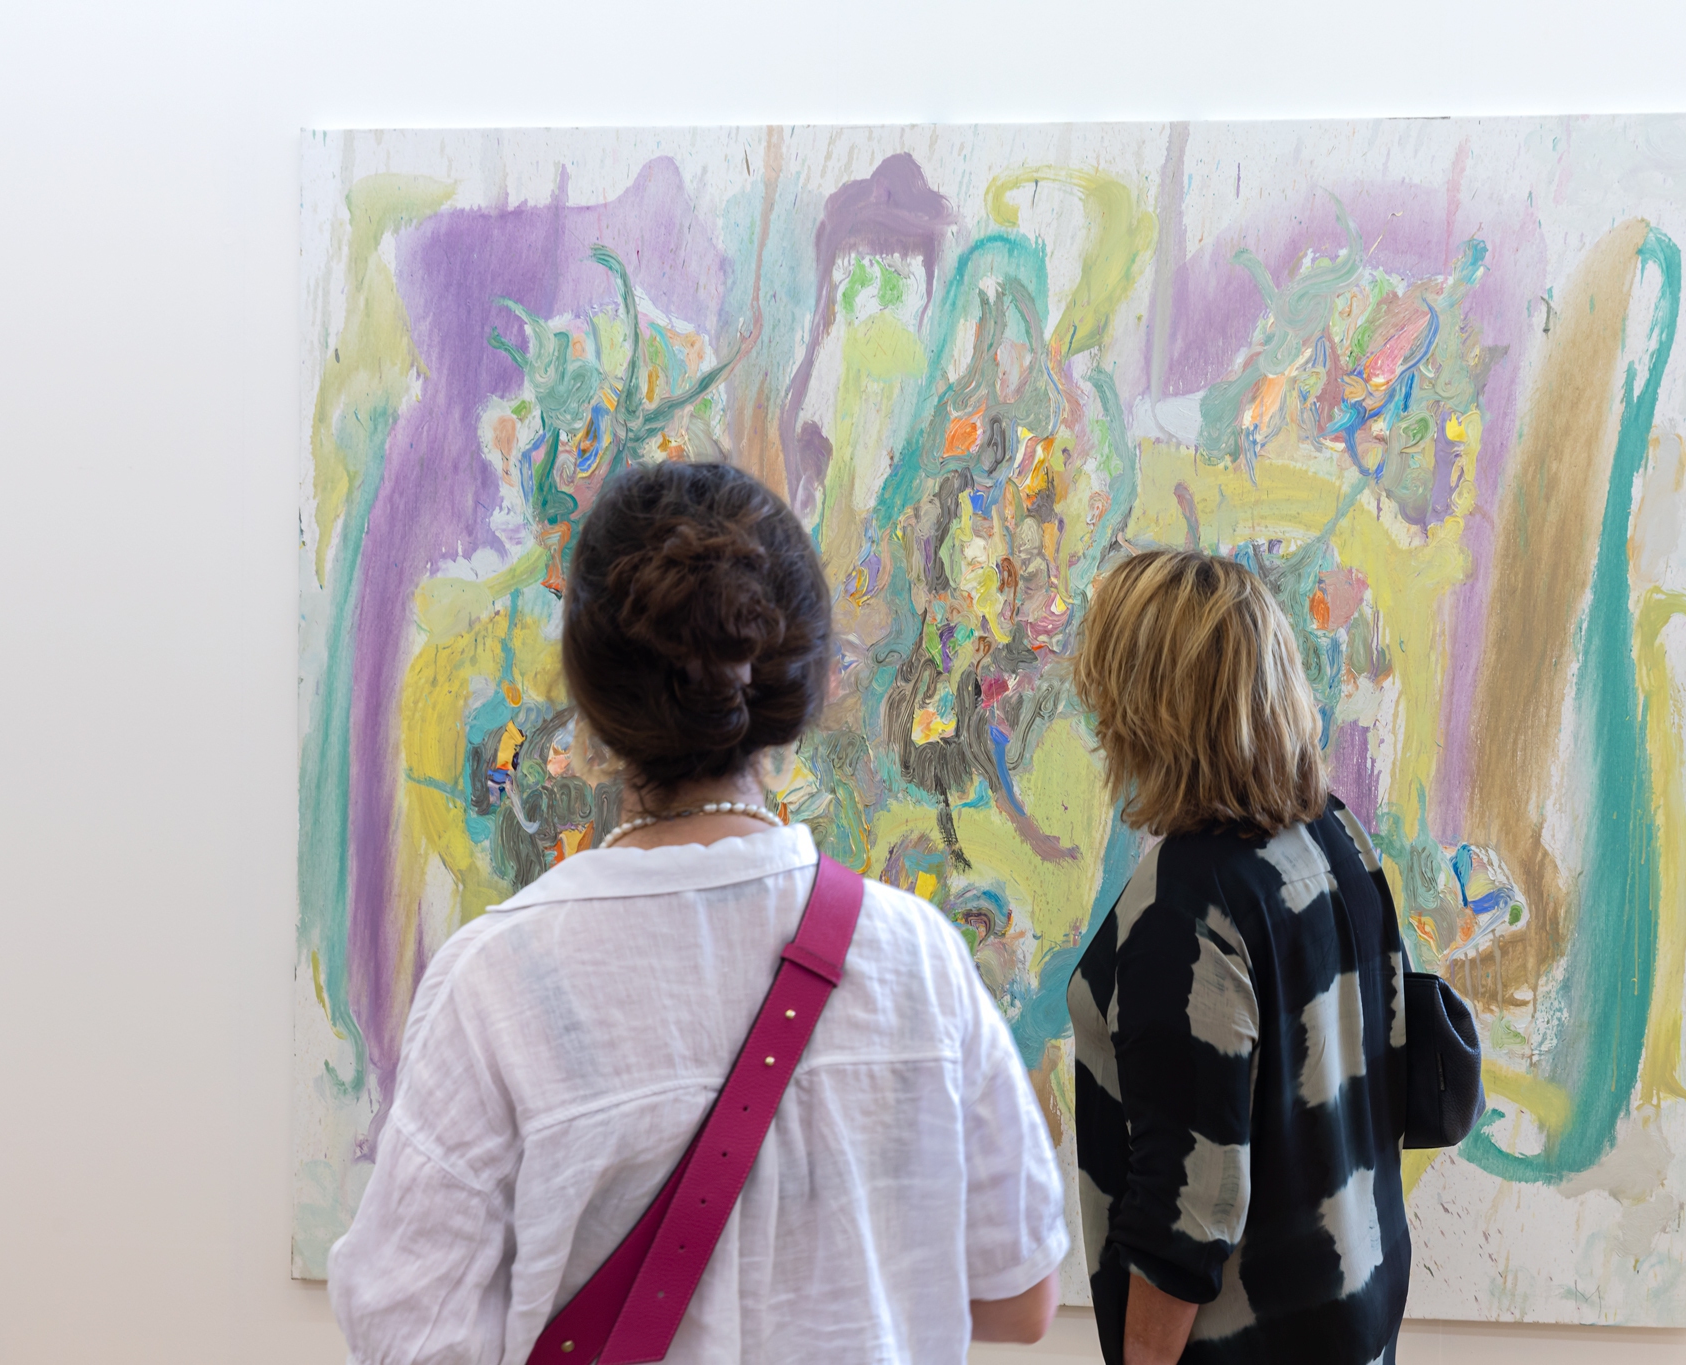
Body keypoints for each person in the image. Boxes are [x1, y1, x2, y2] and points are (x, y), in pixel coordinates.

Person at [329, 460, 1067, 1363]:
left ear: (592, 691)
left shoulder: (497, 982)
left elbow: (409, 1331)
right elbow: (1021, 1297)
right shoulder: (919, 956)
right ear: (801, 680)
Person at [1067, 549, 1411, 1365]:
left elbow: (1185, 1213)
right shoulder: (1334, 835)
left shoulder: (1185, 912)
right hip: (1357, 1319)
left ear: (1148, 702)